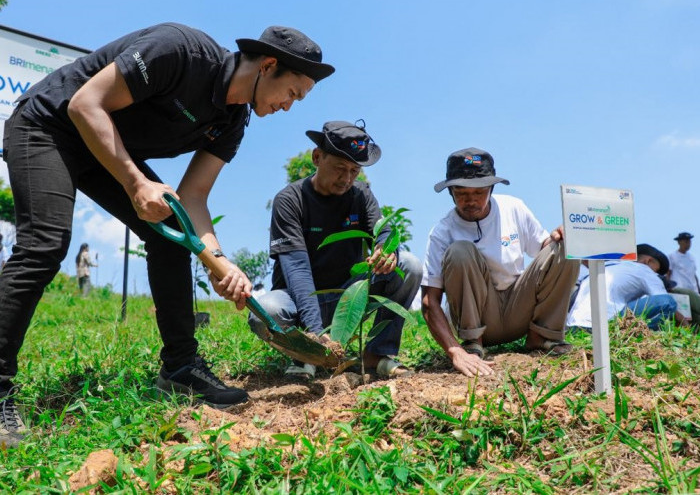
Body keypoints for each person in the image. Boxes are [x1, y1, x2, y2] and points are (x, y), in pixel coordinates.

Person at [0, 23, 334, 448]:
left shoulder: (231, 121)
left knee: (170, 231)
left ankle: (180, 370)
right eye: (293, 94)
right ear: (269, 66)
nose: (289, 106)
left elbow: (193, 198)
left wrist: (219, 262)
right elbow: (85, 105)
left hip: (103, 147)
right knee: (44, 244)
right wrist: (137, 183)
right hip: (48, 125)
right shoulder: (179, 52)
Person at [249, 120, 422, 379]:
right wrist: (316, 333)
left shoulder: (361, 194)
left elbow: (383, 229)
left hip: (349, 296)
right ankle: (305, 355)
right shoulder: (289, 201)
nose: (347, 179)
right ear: (317, 157)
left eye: (355, 170)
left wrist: (386, 249)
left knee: (408, 265)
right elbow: (297, 269)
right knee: (265, 312)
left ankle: (377, 356)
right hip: (298, 300)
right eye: (340, 168)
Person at [421, 148, 580, 378]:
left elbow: (546, 250)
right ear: (451, 192)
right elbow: (429, 301)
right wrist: (455, 351)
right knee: (460, 251)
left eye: (479, 192)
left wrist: (561, 237)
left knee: (565, 246)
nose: (471, 201)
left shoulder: (513, 208)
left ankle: (542, 337)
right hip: (479, 316)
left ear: (491, 189)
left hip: (519, 308)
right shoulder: (442, 232)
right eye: (461, 193)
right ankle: (473, 343)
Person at [567, 244, 682, 330]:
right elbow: (664, 300)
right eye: (656, 270)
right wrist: (686, 328)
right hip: (603, 324)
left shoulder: (608, 266)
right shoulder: (645, 269)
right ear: (648, 261)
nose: (655, 274)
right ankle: (644, 336)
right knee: (668, 302)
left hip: (574, 326)